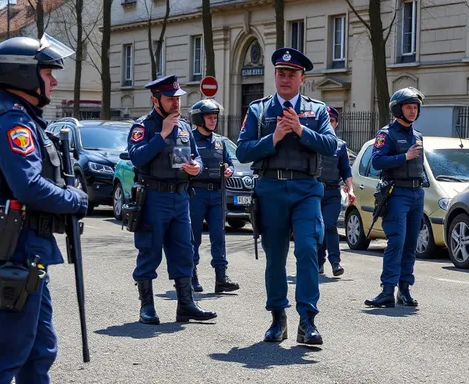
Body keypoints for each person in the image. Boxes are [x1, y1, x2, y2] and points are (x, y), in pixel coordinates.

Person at [0, 34, 88, 383]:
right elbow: (28, 186)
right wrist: (76, 200)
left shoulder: (24, 118)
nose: (53, 80)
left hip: (26, 248)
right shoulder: (13, 123)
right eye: (48, 72)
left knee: (38, 349)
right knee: (7, 353)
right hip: (12, 248)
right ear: (24, 75)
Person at [236, 47, 337, 345]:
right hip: (271, 190)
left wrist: (301, 131)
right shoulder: (259, 110)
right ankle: (278, 318)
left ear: (302, 78)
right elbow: (242, 150)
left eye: (291, 74)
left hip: (306, 189)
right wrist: (274, 138)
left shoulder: (317, 110)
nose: (285, 79)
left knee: (307, 248)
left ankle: (307, 320)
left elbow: (331, 145)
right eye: (280, 73)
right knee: (276, 257)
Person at [127, 74, 217, 325]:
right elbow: (137, 158)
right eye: (170, 99)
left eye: (178, 99)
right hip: (153, 196)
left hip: (180, 197)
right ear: (156, 100)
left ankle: (186, 305)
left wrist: (196, 168)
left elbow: (197, 157)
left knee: (184, 251)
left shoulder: (186, 127)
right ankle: (147, 306)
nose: (176, 104)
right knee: (150, 250)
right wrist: (162, 134)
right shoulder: (143, 126)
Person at [365, 87, 427, 309]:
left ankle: (405, 290)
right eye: (409, 107)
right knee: (397, 242)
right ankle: (386, 291)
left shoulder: (418, 136)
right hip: (397, 192)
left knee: (411, 244)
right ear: (397, 109)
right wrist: (405, 156)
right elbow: (377, 161)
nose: (413, 111)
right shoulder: (386, 134)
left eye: (415, 107)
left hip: (416, 194)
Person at [188, 99, 240, 294]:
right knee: (194, 237)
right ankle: (191, 276)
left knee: (219, 236)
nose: (213, 121)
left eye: (215, 117)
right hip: (196, 193)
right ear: (199, 119)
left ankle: (221, 277)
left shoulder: (220, 141)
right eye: (209, 117)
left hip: (217, 194)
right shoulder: (190, 140)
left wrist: (229, 169)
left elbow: (230, 162)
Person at [317, 105, 355, 276]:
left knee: (330, 225)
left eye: (331, 121)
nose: (328, 123)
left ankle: (335, 262)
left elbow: (346, 170)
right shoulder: (313, 142)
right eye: (325, 120)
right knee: (317, 228)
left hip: (332, 192)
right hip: (314, 192)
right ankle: (318, 261)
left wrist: (351, 189)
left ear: (336, 124)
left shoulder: (340, 146)